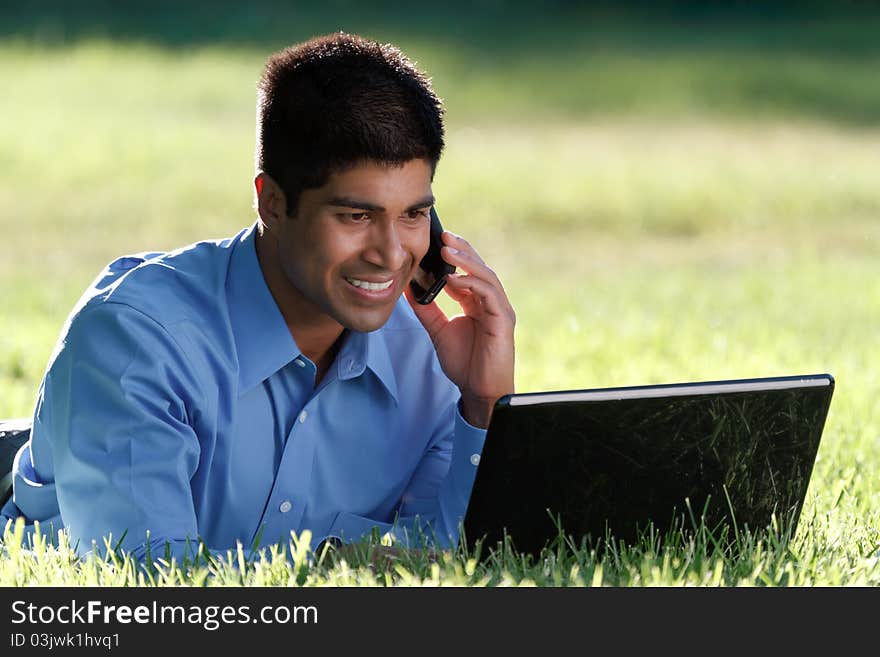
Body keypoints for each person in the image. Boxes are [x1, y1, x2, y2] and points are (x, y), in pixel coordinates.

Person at [0, 33, 515, 563]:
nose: (391, 255)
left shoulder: (429, 358)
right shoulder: (135, 340)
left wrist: (483, 409)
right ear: (271, 203)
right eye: (356, 216)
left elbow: (457, 564)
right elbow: (150, 589)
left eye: (413, 214)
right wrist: (339, 565)